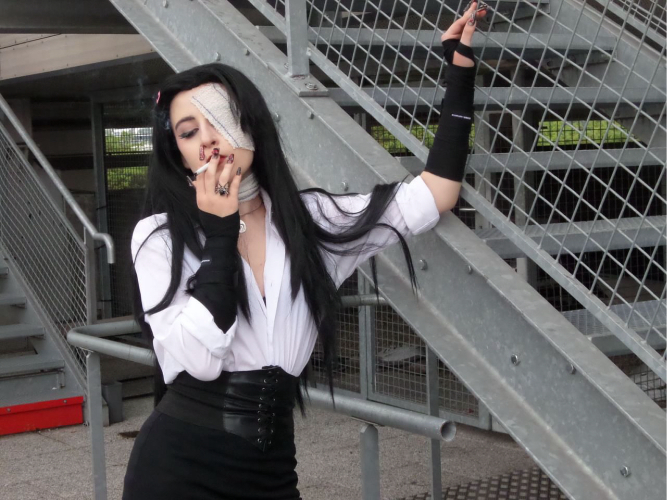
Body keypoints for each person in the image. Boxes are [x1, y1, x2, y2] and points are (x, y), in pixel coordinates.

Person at [123, 4, 486, 499]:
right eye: (188, 132)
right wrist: (220, 231)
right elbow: (201, 362)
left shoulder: (310, 221)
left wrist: (460, 73)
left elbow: (435, 194)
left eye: (220, 118)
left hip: (271, 469)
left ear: (250, 125)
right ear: (180, 155)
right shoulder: (158, 237)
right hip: (177, 469)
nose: (208, 139)